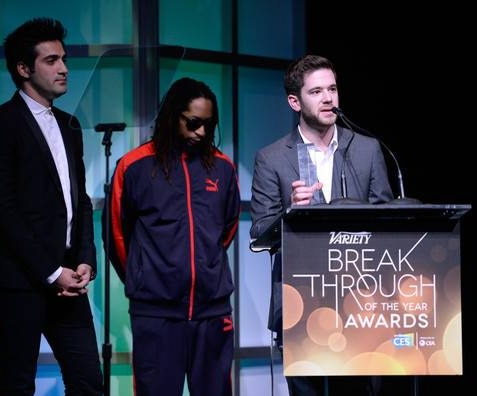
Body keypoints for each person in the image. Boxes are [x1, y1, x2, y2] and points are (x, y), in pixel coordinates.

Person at [249, 54, 393, 395]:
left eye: (332, 89)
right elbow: (259, 233)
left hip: (361, 303)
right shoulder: (272, 158)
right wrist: (291, 210)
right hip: (301, 304)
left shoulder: (367, 149)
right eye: (316, 92)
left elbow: (388, 219)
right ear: (294, 101)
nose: (328, 98)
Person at [0, 18, 103, 395]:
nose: (63, 68)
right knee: (17, 385)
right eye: (51, 60)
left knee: (88, 382)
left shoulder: (70, 124)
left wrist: (85, 260)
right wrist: (51, 271)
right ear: (23, 68)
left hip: (68, 279)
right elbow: (3, 210)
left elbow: (79, 202)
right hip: (17, 280)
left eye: (63, 59)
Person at [103, 77, 240, 396]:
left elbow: (227, 229)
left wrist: (205, 269)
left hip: (212, 312)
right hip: (157, 314)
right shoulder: (134, 167)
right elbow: (117, 236)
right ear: (172, 116)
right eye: (193, 123)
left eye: (208, 124)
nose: (202, 133)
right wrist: (145, 277)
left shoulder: (222, 168)